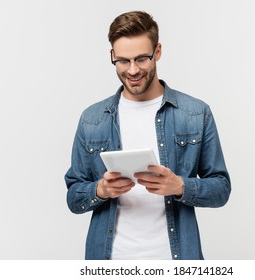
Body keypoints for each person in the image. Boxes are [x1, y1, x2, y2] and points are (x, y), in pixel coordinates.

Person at [64, 11, 231, 260]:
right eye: (123, 60)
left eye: (142, 58)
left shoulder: (195, 113)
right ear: (112, 56)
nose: (132, 70)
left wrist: (180, 186)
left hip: (175, 260)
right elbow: (73, 197)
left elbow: (221, 189)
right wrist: (100, 190)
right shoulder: (92, 119)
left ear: (158, 51)